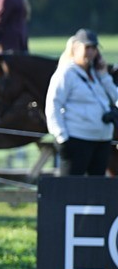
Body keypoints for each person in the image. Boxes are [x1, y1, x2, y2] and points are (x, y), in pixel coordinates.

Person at [46, 29, 118, 177]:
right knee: (71, 189)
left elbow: (115, 97)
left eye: (94, 48)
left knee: (97, 189)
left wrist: (104, 76)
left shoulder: (97, 73)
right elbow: (53, 104)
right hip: (77, 139)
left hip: (102, 139)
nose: (91, 52)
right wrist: (61, 136)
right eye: (87, 48)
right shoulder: (66, 73)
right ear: (76, 48)